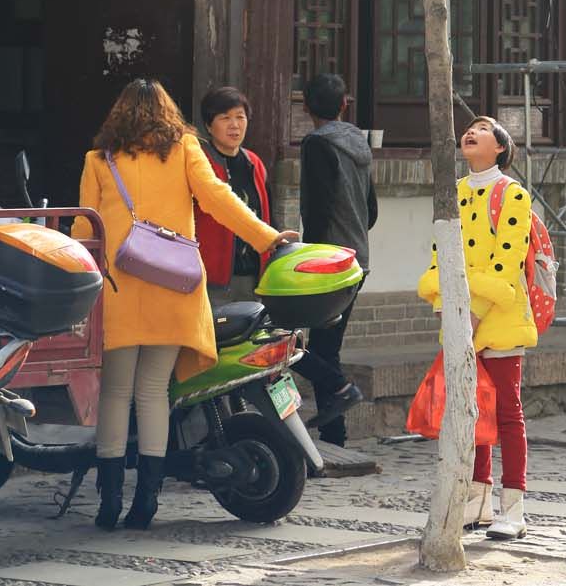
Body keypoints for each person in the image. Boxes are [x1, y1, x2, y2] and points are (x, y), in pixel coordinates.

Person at [73, 78, 296, 533]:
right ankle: (146, 502)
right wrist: (267, 237)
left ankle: (109, 502)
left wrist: (74, 284)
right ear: (168, 112)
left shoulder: (99, 159)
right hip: (174, 287)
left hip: (118, 288)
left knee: (115, 392)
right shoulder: (184, 149)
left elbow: (84, 231)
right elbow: (218, 200)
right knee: (154, 390)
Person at [417, 116, 537, 541]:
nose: (472, 131)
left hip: (499, 320)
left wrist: (473, 314)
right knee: (472, 411)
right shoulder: (454, 192)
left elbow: (506, 262)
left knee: (506, 413)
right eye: (469, 127)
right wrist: (443, 305)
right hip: (458, 316)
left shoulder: (513, 193)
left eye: (483, 128)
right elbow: (440, 253)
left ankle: (514, 508)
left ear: (500, 147)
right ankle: (477, 501)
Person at [294, 72, 377, 446]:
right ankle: (334, 436)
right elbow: (371, 210)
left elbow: (318, 210)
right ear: (345, 104)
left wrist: (309, 256)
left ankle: (341, 393)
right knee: (327, 347)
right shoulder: (359, 141)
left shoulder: (316, 144)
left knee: (299, 346)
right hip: (357, 258)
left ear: (305, 106)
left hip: (327, 258)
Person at [195, 86, 270, 311]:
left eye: (240, 117)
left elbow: (267, 216)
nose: (235, 125)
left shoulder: (254, 163)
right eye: (225, 118)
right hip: (210, 279)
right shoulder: (199, 163)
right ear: (209, 125)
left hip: (252, 279)